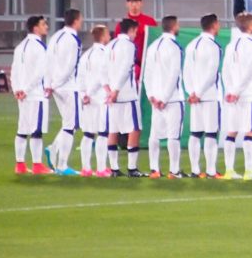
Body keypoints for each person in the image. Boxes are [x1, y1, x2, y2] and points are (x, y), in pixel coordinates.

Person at [143, 15, 185, 179]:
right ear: (174, 26)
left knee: (154, 135)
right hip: (172, 99)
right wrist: (165, 98)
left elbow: (147, 74)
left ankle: (155, 169)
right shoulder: (174, 47)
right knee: (173, 136)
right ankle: (174, 171)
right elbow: (174, 74)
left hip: (156, 99)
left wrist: (151, 96)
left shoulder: (153, 46)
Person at [221, 12, 252, 180]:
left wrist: (229, 90)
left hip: (232, 95)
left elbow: (225, 70)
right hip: (247, 94)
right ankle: (249, 170)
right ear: (250, 26)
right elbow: (250, 70)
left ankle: (229, 170)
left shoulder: (231, 45)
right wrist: (237, 91)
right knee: (250, 131)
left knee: (232, 131)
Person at [43, 8, 83, 177]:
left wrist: (49, 83)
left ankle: (54, 149)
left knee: (69, 123)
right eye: (80, 19)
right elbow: (70, 66)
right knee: (71, 125)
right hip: (68, 86)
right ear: (75, 20)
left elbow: (48, 61)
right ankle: (62, 164)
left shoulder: (55, 37)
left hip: (56, 86)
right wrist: (57, 83)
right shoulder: (73, 40)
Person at [183, 13, 223, 179]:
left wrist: (191, 92)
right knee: (211, 133)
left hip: (194, 96)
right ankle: (211, 170)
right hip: (208, 95)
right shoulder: (213, 46)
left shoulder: (191, 45)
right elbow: (212, 73)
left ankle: (195, 170)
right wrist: (199, 93)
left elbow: (185, 71)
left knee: (195, 132)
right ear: (214, 25)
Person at [11, 15, 52, 175]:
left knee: (22, 128)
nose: (46, 27)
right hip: (35, 94)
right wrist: (27, 89)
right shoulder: (39, 47)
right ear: (36, 28)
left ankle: (20, 164)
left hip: (22, 95)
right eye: (43, 24)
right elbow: (40, 72)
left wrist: (17, 89)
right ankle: (37, 165)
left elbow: (14, 70)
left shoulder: (20, 46)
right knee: (37, 130)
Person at [106, 18, 143, 177]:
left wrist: (108, 90)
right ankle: (132, 168)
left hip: (111, 96)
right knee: (134, 129)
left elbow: (102, 70)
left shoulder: (109, 45)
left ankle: (114, 168)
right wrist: (116, 90)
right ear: (132, 30)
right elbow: (127, 68)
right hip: (126, 94)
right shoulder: (129, 45)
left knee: (113, 130)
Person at [76, 25, 111, 177]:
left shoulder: (86, 55)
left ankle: (86, 168)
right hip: (100, 98)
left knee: (88, 134)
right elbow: (101, 78)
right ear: (103, 36)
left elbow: (80, 78)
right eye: (108, 34)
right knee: (103, 134)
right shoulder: (105, 54)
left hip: (87, 100)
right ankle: (101, 169)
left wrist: (83, 94)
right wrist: (89, 93)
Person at [115, 0, 156, 79]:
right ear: (127, 4)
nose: (134, 5)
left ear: (141, 3)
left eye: (137, 2)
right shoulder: (121, 24)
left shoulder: (150, 21)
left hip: (147, 60)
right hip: (128, 62)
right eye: (131, 2)